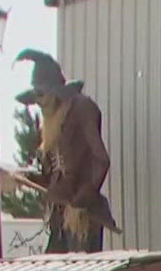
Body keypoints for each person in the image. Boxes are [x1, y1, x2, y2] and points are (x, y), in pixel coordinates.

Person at [7, 50, 118, 254]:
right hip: (59, 215)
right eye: (35, 96)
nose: (38, 102)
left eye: (41, 94)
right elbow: (53, 177)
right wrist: (27, 178)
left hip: (81, 215)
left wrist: (86, 193)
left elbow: (101, 159)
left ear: (55, 92)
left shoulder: (81, 108)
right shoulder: (52, 124)